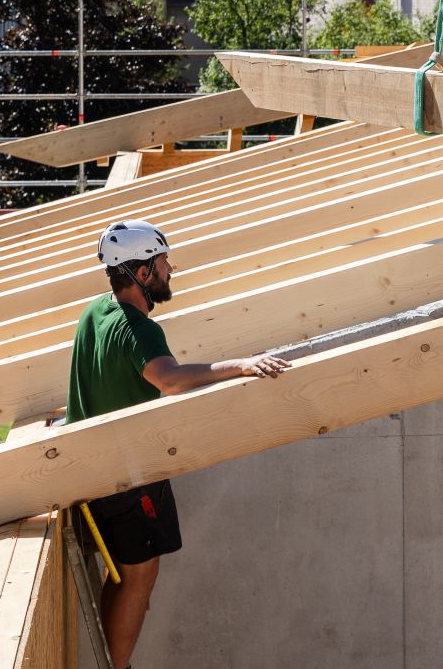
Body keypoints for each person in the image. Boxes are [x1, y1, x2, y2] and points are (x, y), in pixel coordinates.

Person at [67, 219, 291, 669]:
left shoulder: (96, 311)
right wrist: (242, 365)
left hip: (92, 471)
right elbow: (167, 380)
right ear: (142, 273)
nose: (171, 270)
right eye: (164, 263)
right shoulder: (139, 329)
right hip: (127, 479)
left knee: (126, 574)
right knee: (140, 576)